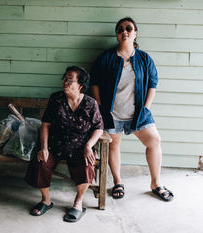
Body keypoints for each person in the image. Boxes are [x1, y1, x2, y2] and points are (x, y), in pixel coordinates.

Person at [90, 17, 174, 201]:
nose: (124, 31)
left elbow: (153, 83)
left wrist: (146, 107)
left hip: (138, 114)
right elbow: (94, 81)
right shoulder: (107, 57)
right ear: (117, 34)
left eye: (129, 28)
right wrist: (100, 106)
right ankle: (118, 182)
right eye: (120, 29)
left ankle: (156, 183)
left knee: (154, 141)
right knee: (114, 146)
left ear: (135, 33)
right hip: (112, 114)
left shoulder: (144, 58)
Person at [25, 66, 104, 222]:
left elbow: (99, 128)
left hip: (80, 146)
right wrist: (44, 147)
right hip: (56, 144)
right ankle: (46, 201)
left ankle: (78, 203)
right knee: (41, 162)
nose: (64, 82)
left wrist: (89, 146)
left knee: (87, 165)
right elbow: (46, 124)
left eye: (69, 79)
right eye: (64, 78)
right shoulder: (56, 99)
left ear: (80, 84)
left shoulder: (90, 103)